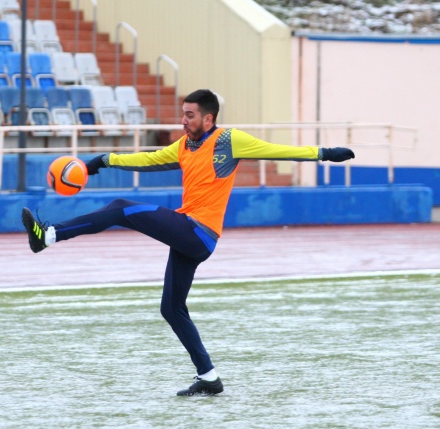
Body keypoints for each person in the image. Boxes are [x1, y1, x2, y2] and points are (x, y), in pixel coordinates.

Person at [22, 89, 355, 396]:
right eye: (183, 113)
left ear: (208, 119)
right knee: (171, 309)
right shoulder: (184, 146)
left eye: (190, 115)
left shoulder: (229, 140)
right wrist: (105, 160)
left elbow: (278, 150)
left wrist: (325, 154)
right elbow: (148, 160)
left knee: (121, 208)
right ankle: (209, 377)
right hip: (190, 235)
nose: (183, 120)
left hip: (198, 232)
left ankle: (49, 235)